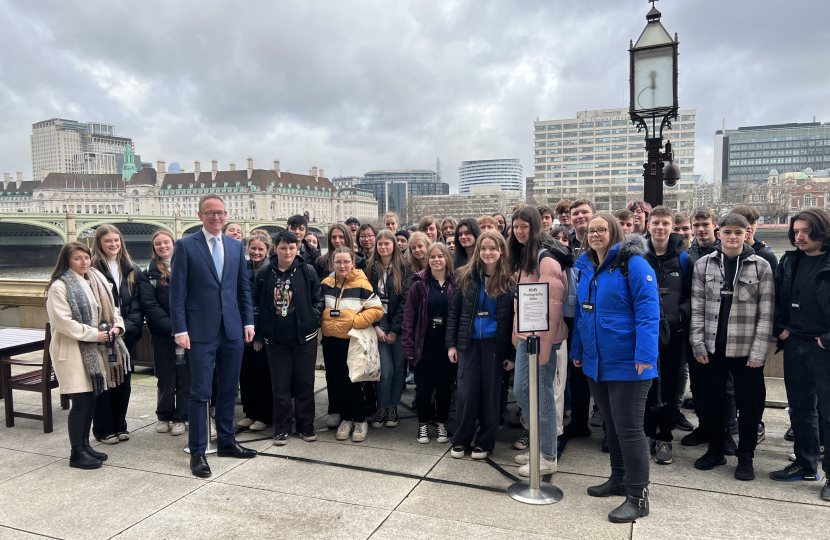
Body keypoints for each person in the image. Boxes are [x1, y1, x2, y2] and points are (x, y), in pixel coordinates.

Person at [571, 213, 659, 523]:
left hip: (629, 363)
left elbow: (649, 312)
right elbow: (585, 314)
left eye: (601, 229)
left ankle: (638, 496)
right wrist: (579, 350)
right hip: (598, 362)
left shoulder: (632, 264)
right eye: (591, 230)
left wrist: (645, 354)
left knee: (630, 429)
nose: (595, 234)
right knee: (611, 424)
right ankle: (619, 478)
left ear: (614, 232)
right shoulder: (585, 267)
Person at [170, 194, 257, 478]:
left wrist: (248, 322)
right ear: (200, 215)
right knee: (200, 393)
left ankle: (227, 441)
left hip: (232, 329)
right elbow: (178, 293)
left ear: (226, 213)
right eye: (210, 213)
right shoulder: (185, 246)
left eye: (220, 213)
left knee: (230, 390)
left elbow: (242, 289)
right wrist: (180, 329)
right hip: (200, 331)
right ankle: (198, 451)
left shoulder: (235, 245)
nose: (216, 217)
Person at [689, 213, 772, 481]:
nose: (733, 237)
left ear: (747, 233)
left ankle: (745, 456)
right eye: (728, 232)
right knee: (712, 400)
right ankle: (715, 449)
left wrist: (759, 353)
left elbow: (766, 313)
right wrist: (698, 343)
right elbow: (697, 308)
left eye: (739, 232)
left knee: (749, 404)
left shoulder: (760, 266)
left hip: (746, 350)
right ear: (719, 232)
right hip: (713, 347)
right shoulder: (704, 265)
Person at [46, 242, 128, 469]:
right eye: (77, 259)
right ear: (66, 261)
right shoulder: (59, 286)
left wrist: (116, 328)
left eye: (86, 257)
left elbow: (114, 309)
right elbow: (63, 323)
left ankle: (85, 445)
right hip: (73, 351)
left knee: (92, 398)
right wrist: (97, 335)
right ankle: (76, 453)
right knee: (81, 401)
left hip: (96, 349)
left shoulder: (96, 279)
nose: (84, 262)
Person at [770, 209, 830, 501]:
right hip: (794, 342)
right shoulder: (789, 261)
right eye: (796, 231)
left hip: (824, 347)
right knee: (801, 409)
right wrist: (781, 328)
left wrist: (826, 340)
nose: (800, 236)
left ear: (822, 231)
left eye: (806, 230)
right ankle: (805, 464)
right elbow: (777, 299)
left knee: (828, 414)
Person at [509, 206, 568, 476]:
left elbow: (553, 308)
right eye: (516, 226)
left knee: (540, 394)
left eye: (525, 226)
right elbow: (522, 301)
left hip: (543, 340)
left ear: (535, 227)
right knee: (523, 391)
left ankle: (547, 456)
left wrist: (544, 349)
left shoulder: (546, 260)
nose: (520, 231)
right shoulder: (525, 257)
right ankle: (540, 446)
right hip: (528, 337)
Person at [446, 231, 516, 460]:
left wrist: (511, 353)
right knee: (466, 392)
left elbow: (513, 318)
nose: (488, 252)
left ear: (501, 251)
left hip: (495, 345)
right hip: (468, 343)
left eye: (493, 248)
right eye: (484, 248)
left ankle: (485, 441)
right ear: (478, 251)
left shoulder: (509, 279)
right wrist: (452, 345)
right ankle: (462, 437)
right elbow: (454, 312)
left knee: (490, 394)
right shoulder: (465, 276)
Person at [253, 231, 324, 446]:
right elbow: (256, 304)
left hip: (304, 337)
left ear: (297, 248)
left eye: (292, 248)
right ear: (275, 249)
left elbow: (318, 299)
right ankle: (282, 427)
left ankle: (305, 425)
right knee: (280, 386)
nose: (288, 252)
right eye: (283, 248)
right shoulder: (266, 272)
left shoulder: (307, 270)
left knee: (304, 383)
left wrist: (312, 317)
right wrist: (259, 333)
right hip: (276, 339)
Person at [642, 206, 691, 465]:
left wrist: (682, 312)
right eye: (655, 223)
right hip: (646, 333)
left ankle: (666, 436)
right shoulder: (639, 257)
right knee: (647, 385)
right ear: (648, 226)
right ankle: (648, 432)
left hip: (674, 334)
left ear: (672, 227)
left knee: (670, 387)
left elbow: (693, 295)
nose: (660, 227)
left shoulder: (683, 259)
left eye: (665, 223)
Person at [320, 247, 384, 442]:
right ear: (332, 263)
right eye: (338, 262)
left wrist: (355, 321)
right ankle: (345, 419)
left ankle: (360, 420)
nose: (342, 266)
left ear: (352, 263)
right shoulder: (326, 284)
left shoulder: (362, 283)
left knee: (352, 381)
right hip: (330, 340)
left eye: (346, 262)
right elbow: (318, 305)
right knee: (336, 381)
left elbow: (377, 309)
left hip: (351, 341)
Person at [90, 224, 144, 445]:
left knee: (123, 381)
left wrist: (127, 328)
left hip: (125, 335)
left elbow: (138, 305)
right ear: (99, 244)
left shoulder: (132, 269)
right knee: (103, 382)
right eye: (108, 241)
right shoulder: (91, 269)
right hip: (101, 336)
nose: (113, 245)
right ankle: (103, 429)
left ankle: (120, 425)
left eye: (116, 240)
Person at [403, 242, 455, 444]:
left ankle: (441, 424)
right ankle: (423, 424)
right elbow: (409, 318)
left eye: (440, 256)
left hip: (446, 346)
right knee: (423, 388)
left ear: (447, 259)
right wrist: (408, 346)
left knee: (444, 387)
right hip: (423, 345)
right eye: (432, 256)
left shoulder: (456, 285)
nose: (436, 260)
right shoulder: (419, 286)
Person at [140, 231, 189, 437]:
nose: (163, 246)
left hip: (187, 333)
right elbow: (149, 305)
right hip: (162, 334)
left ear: (174, 244)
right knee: (165, 376)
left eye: (166, 242)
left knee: (186, 377)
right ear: (154, 248)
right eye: (158, 244)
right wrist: (173, 327)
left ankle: (182, 417)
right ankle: (164, 415)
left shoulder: (187, 268)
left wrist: (184, 328)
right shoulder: (148, 274)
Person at [682, 206, 723, 448]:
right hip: (694, 325)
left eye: (705, 224)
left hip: (720, 327)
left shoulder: (725, 251)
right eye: (695, 225)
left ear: (714, 225)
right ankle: (703, 427)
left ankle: (722, 431)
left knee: (722, 386)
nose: (700, 229)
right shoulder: (688, 254)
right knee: (698, 383)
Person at [366, 230, 411, 429]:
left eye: (387, 243)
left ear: (394, 245)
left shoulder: (404, 268)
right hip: (378, 321)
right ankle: (382, 407)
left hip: (397, 323)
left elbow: (405, 302)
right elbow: (365, 297)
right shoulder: (369, 268)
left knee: (399, 369)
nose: (383, 247)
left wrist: (394, 330)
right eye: (380, 244)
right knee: (386, 370)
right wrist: (375, 326)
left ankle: (393, 407)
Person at [563, 199, 595, 441]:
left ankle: (606, 425)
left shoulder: (600, 240)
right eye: (576, 213)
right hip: (573, 316)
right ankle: (579, 422)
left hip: (597, 316)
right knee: (576, 372)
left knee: (600, 371)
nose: (580, 216)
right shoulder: (565, 242)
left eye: (585, 212)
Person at [238, 233, 273, 431]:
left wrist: (260, 334)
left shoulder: (269, 270)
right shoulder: (243, 267)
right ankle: (250, 413)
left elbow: (266, 306)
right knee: (246, 374)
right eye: (253, 248)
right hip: (242, 330)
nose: (256, 252)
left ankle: (264, 415)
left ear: (267, 250)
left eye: (261, 249)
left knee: (262, 376)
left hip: (260, 333)